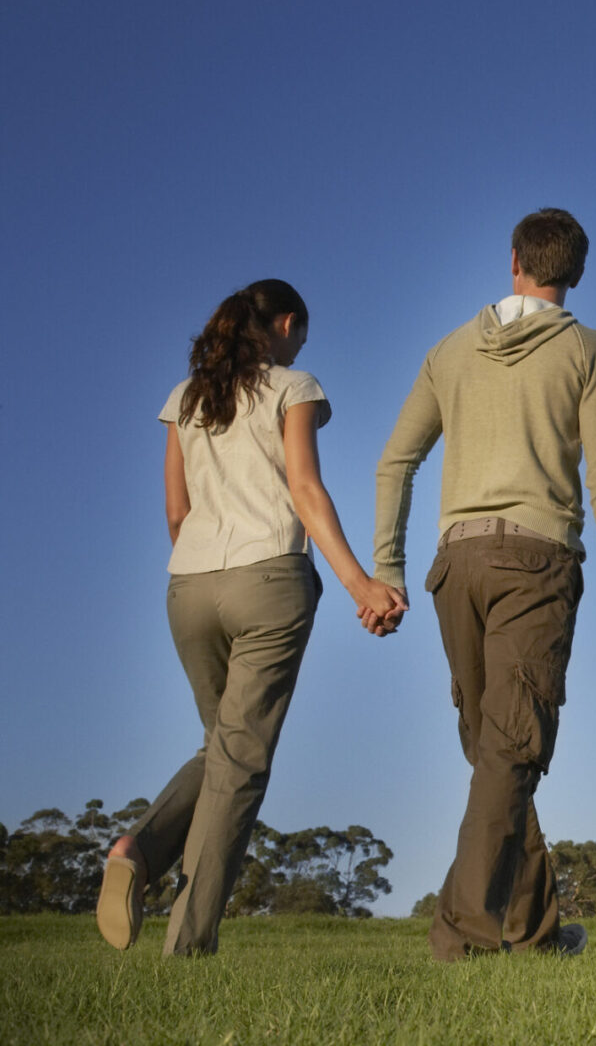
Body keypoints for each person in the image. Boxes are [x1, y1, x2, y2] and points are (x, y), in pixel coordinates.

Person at [96, 279, 408, 956]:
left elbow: (176, 513)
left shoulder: (186, 398)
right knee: (239, 765)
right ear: (287, 325)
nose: (299, 350)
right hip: (267, 581)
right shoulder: (293, 387)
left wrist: (203, 564)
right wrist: (359, 584)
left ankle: (135, 851)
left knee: (222, 748)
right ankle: (187, 948)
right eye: (300, 337)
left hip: (188, 587)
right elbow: (304, 489)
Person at [370, 207, 596, 961]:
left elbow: (395, 463)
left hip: (454, 566)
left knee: (497, 751)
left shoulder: (449, 350)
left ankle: (534, 934)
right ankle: (459, 937)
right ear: (575, 272)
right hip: (536, 563)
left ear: (513, 260)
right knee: (509, 752)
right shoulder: (591, 352)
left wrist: (387, 570)